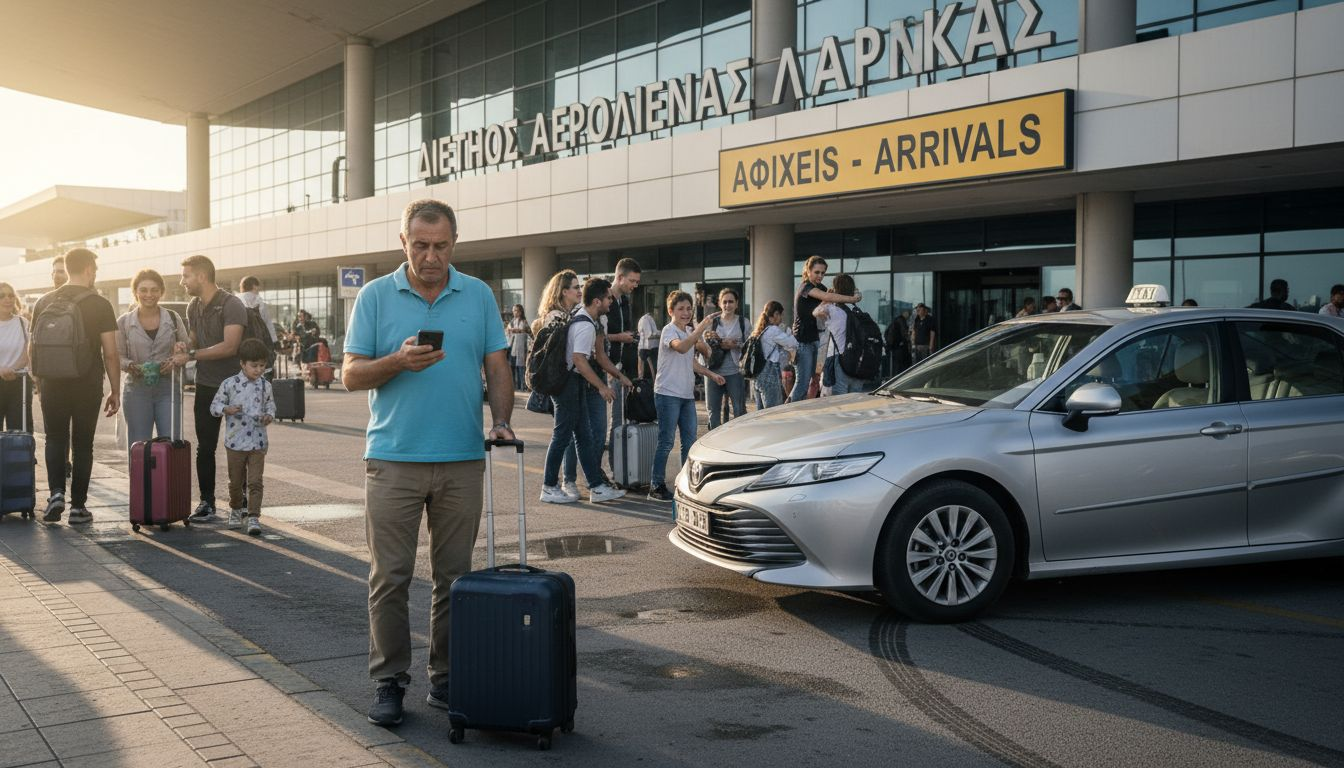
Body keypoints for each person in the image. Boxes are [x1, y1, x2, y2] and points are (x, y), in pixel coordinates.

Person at [342, 199, 515, 728]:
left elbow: (497, 365)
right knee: (390, 576)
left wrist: (502, 421)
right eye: (420, 245)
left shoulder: (479, 295)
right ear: (403, 243)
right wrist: (396, 361)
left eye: (441, 246)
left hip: (462, 458)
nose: (431, 255)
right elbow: (350, 374)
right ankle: (389, 680)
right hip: (392, 458)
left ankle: (446, 676)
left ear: (454, 245)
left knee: (454, 578)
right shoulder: (374, 296)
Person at [29, 249, 120, 525]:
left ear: (67, 269)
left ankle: (56, 493)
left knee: (55, 438)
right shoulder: (100, 304)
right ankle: (78, 507)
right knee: (83, 443)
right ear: (90, 269)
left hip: (52, 382)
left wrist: (40, 381)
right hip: (86, 382)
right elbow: (111, 353)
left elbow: (33, 348)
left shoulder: (44, 301)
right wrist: (115, 390)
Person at [171, 254, 246, 522]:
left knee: (239, 446)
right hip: (206, 385)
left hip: (235, 386)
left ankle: (240, 502)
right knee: (205, 447)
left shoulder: (232, 304)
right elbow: (193, 341)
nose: (182, 281)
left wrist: (192, 356)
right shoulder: (193, 306)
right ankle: (207, 502)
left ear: (201, 276)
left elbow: (230, 346)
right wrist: (185, 347)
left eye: (186, 276)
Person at [540, 277, 629, 505]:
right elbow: (579, 360)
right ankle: (549, 486)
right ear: (598, 301)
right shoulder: (584, 325)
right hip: (567, 383)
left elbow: (597, 356)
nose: (611, 301)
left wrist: (618, 377)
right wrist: (602, 387)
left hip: (574, 383)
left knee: (583, 436)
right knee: (562, 436)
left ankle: (596, 487)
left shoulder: (589, 320)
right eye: (608, 298)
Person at [648, 291, 724, 503]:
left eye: (689, 309)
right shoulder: (668, 331)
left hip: (685, 395)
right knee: (666, 441)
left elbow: (691, 362)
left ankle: (685, 484)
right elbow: (681, 349)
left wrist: (711, 374)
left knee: (690, 442)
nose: (686, 312)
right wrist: (700, 328)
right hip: (667, 393)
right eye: (680, 309)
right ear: (670, 311)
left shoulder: (689, 332)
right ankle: (656, 485)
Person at [116, 269, 189, 459]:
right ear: (135, 292)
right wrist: (131, 366)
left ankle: (168, 487)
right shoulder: (123, 322)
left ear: (161, 291)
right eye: (144, 290)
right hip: (136, 390)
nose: (149, 295)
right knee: (138, 446)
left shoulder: (173, 318)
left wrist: (177, 357)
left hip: (168, 388)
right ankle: (139, 488)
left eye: (154, 290)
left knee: (171, 443)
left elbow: (185, 349)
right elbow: (117, 356)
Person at [209, 338, 275, 536]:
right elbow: (214, 406)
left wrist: (268, 416)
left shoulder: (266, 386)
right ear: (242, 363)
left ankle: (254, 516)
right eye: (254, 366)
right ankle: (236, 509)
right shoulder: (230, 384)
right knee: (235, 482)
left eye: (262, 366)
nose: (258, 370)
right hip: (235, 442)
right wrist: (226, 409)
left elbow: (271, 406)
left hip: (258, 442)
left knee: (255, 481)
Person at [534, 269, 584, 500]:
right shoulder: (556, 316)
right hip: (561, 381)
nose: (579, 291)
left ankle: (561, 483)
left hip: (565, 380)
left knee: (569, 432)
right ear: (564, 292)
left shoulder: (565, 314)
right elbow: (557, 352)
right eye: (575, 287)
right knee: (562, 433)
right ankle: (549, 485)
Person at [789, 256, 861, 403]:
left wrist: (853, 290)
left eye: (823, 273)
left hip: (814, 340)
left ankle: (794, 411)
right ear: (808, 271)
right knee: (802, 384)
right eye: (817, 272)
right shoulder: (805, 287)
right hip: (802, 342)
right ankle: (788, 415)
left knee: (812, 382)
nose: (820, 276)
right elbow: (828, 296)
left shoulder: (820, 288)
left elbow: (832, 294)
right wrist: (853, 299)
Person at [705, 288, 747, 429]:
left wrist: (736, 345)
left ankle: (737, 441)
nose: (727, 305)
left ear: (736, 304)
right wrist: (714, 342)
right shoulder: (712, 322)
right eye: (725, 302)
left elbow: (750, 346)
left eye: (731, 302)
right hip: (713, 371)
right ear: (719, 303)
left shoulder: (743, 322)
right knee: (713, 411)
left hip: (735, 371)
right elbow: (702, 345)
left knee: (739, 410)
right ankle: (714, 444)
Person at [814, 274, 861, 396]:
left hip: (838, 360)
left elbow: (815, 312)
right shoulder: (856, 310)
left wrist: (827, 297)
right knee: (854, 405)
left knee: (837, 404)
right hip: (857, 362)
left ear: (836, 290)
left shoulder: (832, 310)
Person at [752, 300, 797, 410]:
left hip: (758, 377)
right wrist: (789, 331)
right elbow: (792, 343)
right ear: (776, 314)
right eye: (780, 315)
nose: (781, 318)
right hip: (769, 376)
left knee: (761, 414)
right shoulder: (773, 330)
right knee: (773, 413)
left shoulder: (761, 330)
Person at [0, 283, 32, 433]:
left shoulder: (22, 323)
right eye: (2, 296)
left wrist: (13, 369)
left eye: (10, 295)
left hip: (19, 382)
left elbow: (28, 352)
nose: (7, 299)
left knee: (20, 431)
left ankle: (20, 458)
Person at [506, 304, 530, 390]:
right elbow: (508, 330)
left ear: (520, 312)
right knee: (512, 367)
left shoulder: (524, 321)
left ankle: (522, 387)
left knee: (521, 368)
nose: (514, 312)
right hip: (512, 348)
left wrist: (514, 330)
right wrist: (512, 330)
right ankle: (514, 387)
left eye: (516, 310)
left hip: (521, 349)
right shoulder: (512, 321)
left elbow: (524, 331)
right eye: (513, 310)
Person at [884, 310, 911, 376]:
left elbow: (886, 333)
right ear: (906, 314)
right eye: (909, 315)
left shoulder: (895, 321)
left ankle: (894, 377)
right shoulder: (902, 320)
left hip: (893, 346)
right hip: (899, 346)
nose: (909, 317)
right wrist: (908, 340)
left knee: (895, 365)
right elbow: (904, 333)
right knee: (901, 365)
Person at [637, 308, 659, 378]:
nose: (657, 314)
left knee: (653, 370)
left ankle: (643, 382)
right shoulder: (646, 319)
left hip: (649, 346)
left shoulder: (649, 319)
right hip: (646, 347)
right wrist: (660, 334)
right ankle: (641, 383)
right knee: (647, 370)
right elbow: (648, 334)